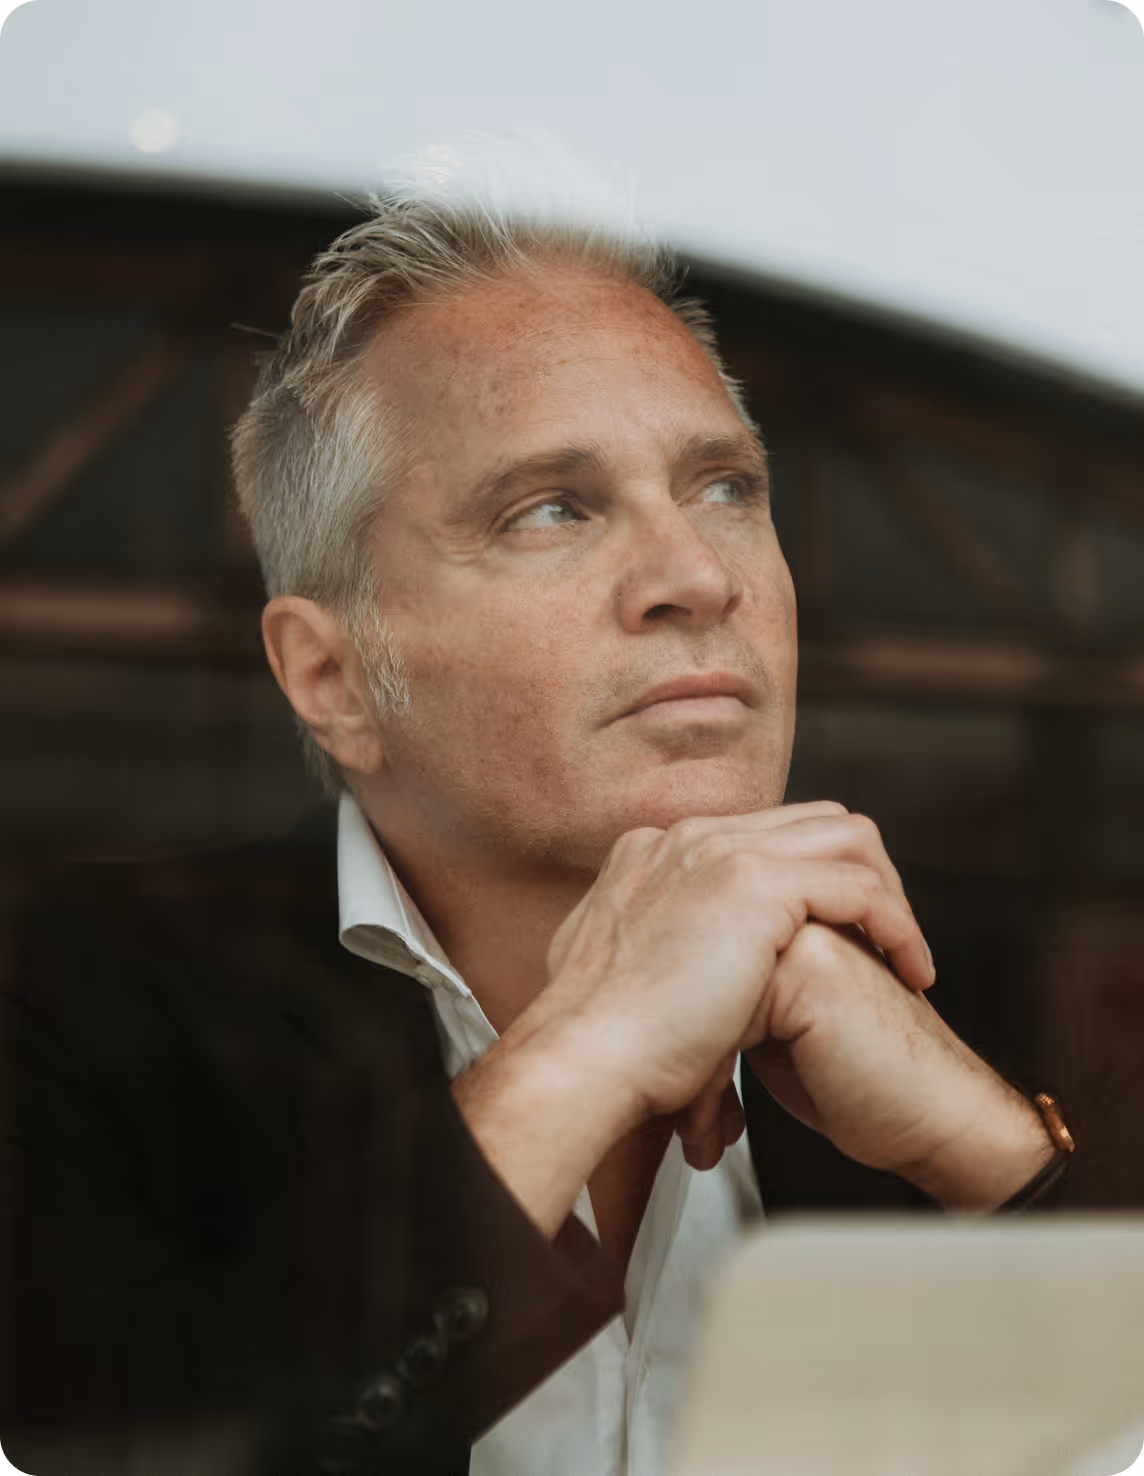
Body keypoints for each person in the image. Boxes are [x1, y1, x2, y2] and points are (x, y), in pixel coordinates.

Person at [0, 196, 1072, 1476]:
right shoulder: (58, 1018)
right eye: (550, 509)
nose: (698, 573)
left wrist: (1004, 1171)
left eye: (725, 486)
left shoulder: (937, 1012)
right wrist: (587, 1049)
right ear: (332, 677)